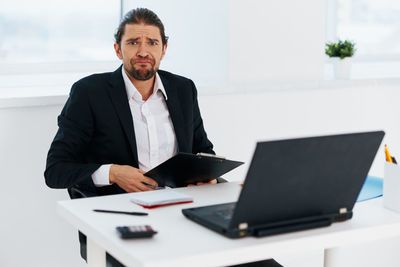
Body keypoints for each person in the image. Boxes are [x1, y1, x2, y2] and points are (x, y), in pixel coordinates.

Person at [44, 8, 282, 267]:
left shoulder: (183, 89)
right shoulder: (89, 92)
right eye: (133, 42)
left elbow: (203, 149)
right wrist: (112, 173)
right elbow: (56, 170)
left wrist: (207, 174)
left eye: (152, 43)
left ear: (164, 49)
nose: (143, 52)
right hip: (123, 218)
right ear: (117, 49)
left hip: (186, 210)